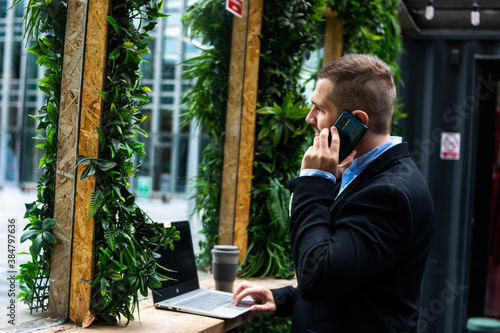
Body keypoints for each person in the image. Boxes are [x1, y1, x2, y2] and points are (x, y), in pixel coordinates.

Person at [232, 54, 435, 332]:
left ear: (355, 121)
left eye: (320, 109)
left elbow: (317, 276)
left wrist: (315, 180)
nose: (309, 118)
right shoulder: (358, 172)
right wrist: (283, 299)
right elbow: (352, 279)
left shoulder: (390, 193)